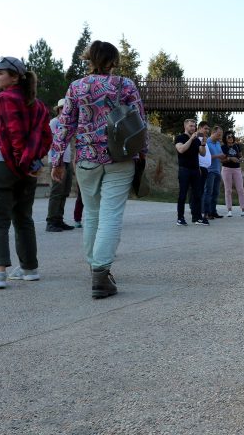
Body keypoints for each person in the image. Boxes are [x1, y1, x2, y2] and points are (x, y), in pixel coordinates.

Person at [50, 40, 149, 299]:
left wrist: (57, 159)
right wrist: (143, 153)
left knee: (92, 215)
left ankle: (95, 267)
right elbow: (139, 121)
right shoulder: (125, 85)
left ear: (89, 58)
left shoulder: (76, 87)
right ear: (113, 60)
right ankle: (101, 274)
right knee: (111, 216)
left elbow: (64, 126)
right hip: (120, 158)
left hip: (86, 159)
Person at [0, 56, 52, 289]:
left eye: (0, 72)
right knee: (23, 218)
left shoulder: (5, 97)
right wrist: (33, 162)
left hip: (3, 165)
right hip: (28, 169)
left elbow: (14, 135)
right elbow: (46, 138)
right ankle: (29, 268)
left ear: (15, 77)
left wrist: (20, 161)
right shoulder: (39, 105)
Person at [46, 98, 75, 232]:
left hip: (67, 160)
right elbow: (52, 142)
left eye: (66, 108)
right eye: (62, 108)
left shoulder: (68, 124)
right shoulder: (54, 122)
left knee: (64, 192)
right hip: (57, 161)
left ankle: (59, 220)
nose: (65, 110)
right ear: (58, 110)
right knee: (56, 192)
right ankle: (51, 222)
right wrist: (57, 162)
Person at [175, 119, 208, 226]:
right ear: (185, 126)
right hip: (184, 169)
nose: (193, 128)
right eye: (191, 126)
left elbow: (202, 154)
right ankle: (180, 218)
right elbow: (181, 149)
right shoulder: (180, 138)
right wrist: (191, 139)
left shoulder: (197, 140)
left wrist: (203, 144)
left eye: (194, 126)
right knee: (183, 194)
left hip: (195, 170)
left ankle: (197, 217)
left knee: (197, 194)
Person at [221, 132, 244, 217]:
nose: (231, 138)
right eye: (228, 136)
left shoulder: (237, 146)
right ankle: (229, 210)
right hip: (226, 169)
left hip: (237, 169)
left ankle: (243, 210)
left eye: (232, 136)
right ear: (225, 138)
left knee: (241, 189)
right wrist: (230, 158)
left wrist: (241, 159)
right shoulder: (223, 147)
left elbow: (240, 156)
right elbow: (221, 160)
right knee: (228, 190)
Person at [203, 126, 225, 219]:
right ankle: (206, 212)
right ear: (213, 132)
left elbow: (219, 155)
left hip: (217, 170)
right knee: (208, 192)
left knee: (216, 192)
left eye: (221, 135)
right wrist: (218, 156)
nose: (220, 137)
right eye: (218, 135)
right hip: (209, 171)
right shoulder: (207, 142)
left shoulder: (218, 143)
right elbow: (205, 156)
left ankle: (213, 212)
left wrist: (222, 157)